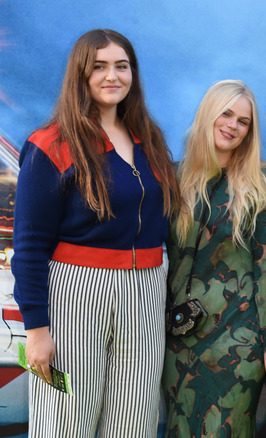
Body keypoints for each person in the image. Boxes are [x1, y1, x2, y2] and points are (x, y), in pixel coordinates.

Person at [12, 29, 180, 436]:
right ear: (80, 74)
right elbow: (30, 244)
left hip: (146, 291)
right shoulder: (52, 144)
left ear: (133, 75)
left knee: (133, 420)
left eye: (122, 66)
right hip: (78, 291)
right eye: (99, 66)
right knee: (66, 422)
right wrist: (36, 330)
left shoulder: (150, 141)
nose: (112, 76)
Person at [161, 80, 266, 437]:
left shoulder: (260, 182)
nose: (232, 125)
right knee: (179, 428)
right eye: (226, 114)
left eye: (243, 121)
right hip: (176, 338)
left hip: (237, 340)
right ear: (208, 114)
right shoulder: (173, 177)